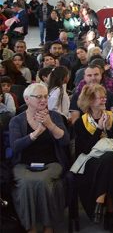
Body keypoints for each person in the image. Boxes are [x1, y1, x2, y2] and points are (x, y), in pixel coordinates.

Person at [9, 83, 70, 233]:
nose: (43, 100)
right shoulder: (16, 121)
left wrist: (50, 125)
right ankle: (31, 227)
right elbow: (15, 147)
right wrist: (35, 134)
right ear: (27, 99)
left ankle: (48, 226)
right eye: (39, 97)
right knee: (25, 184)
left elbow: (65, 141)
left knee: (43, 182)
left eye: (45, 96)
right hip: (23, 164)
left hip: (51, 162)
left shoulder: (55, 116)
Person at [71, 84, 113, 231]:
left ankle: (100, 200)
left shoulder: (112, 116)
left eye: (104, 96)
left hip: (112, 158)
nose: (104, 99)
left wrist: (108, 129)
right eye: (99, 97)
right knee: (108, 163)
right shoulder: (80, 122)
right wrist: (98, 130)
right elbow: (84, 149)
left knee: (109, 159)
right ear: (89, 101)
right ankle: (111, 213)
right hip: (91, 160)